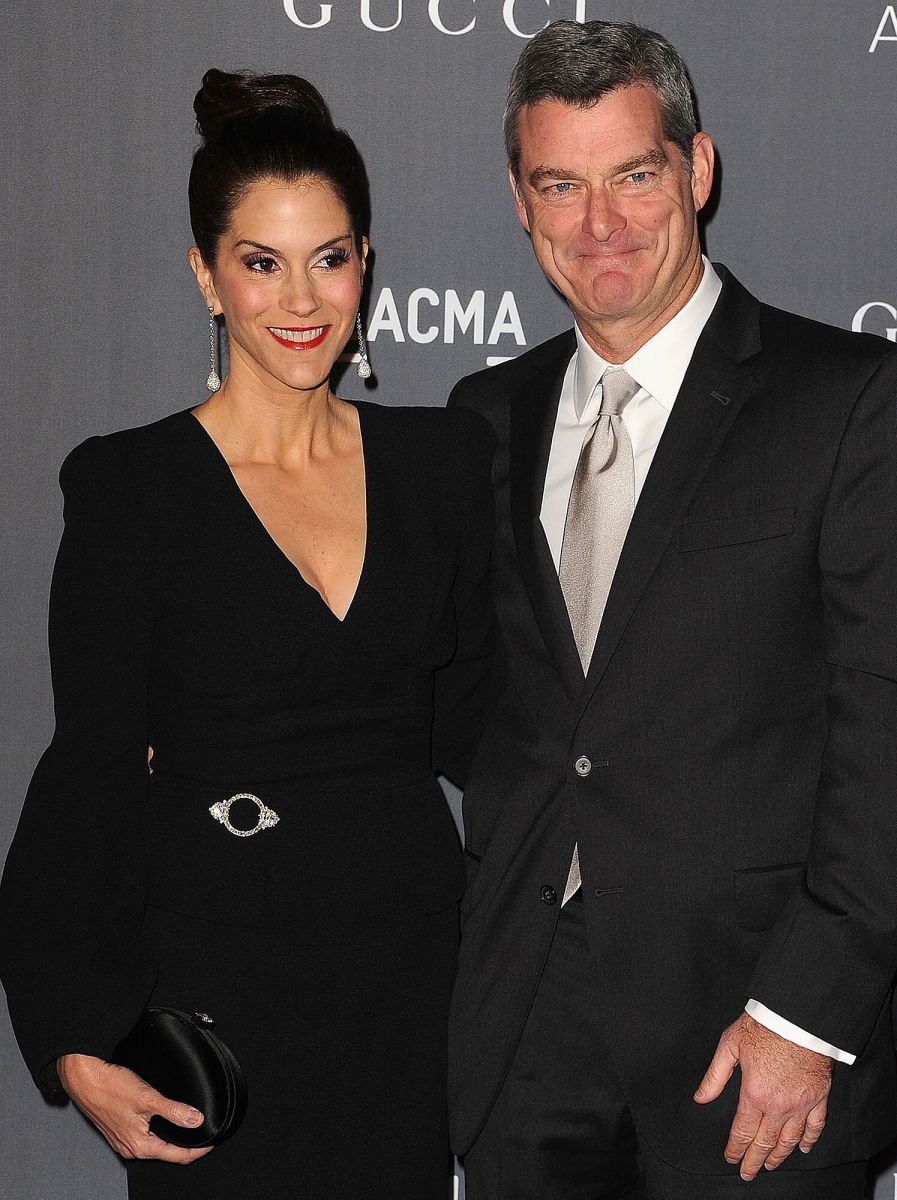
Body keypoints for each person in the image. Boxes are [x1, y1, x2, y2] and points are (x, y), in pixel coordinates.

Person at [0, 69, 494, 1200]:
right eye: (261, 262)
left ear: (366, 261)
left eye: (329, 256)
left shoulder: (444, 468)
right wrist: (76, 1033)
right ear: (206, 276)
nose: (302, 297)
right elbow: (90, 768)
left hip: (408, 990)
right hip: (218, 998)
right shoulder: (132, 489)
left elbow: (492, 726)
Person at [448, 19, 897, 1200]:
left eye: (634, 176)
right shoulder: (479, 420)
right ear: (520, 198)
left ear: (697, 169)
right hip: (527, 1021)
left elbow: (887, 735)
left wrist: (810, 1009)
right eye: (562, 184)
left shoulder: (847, 402)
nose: (599, 225)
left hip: (750, 1032)